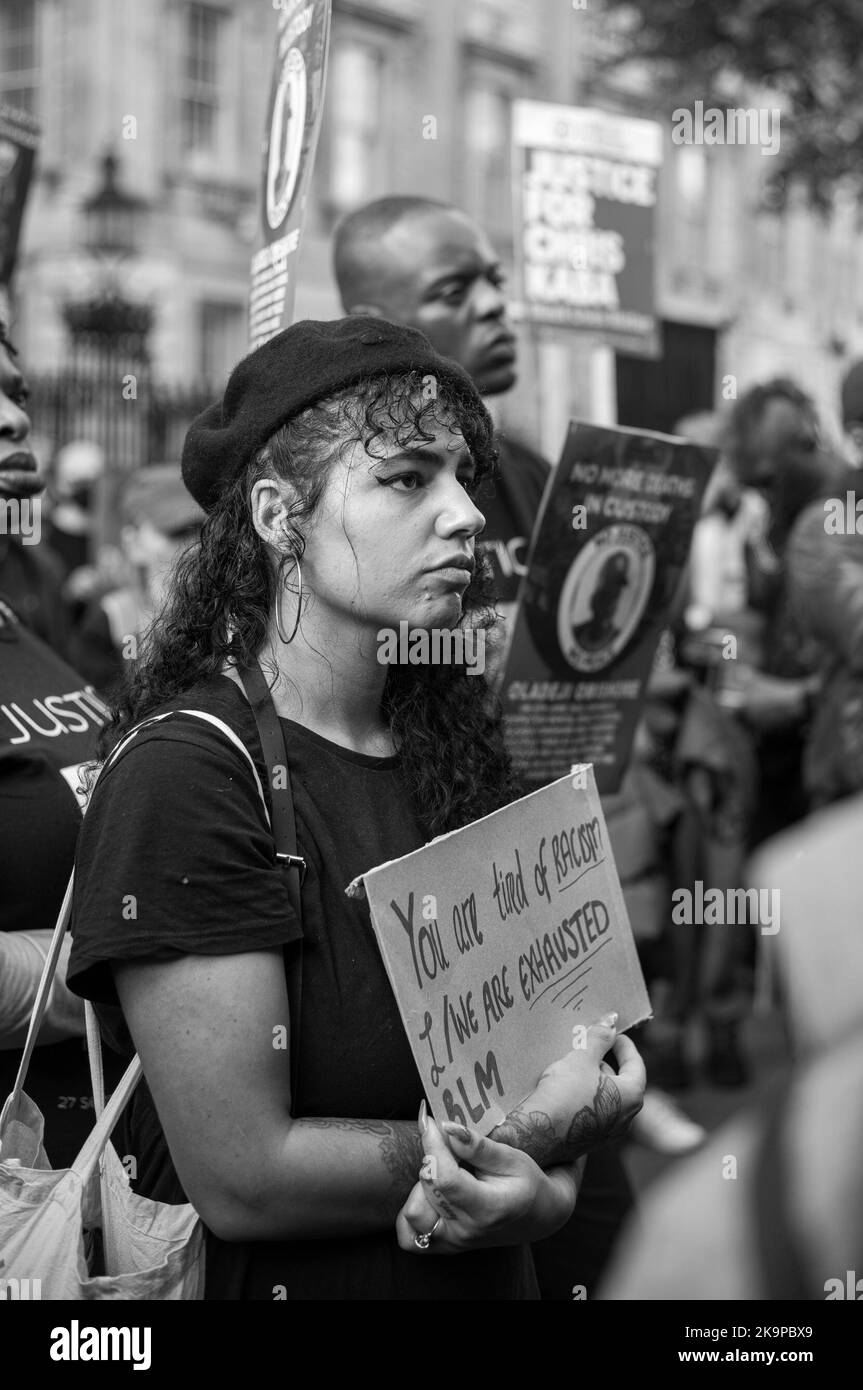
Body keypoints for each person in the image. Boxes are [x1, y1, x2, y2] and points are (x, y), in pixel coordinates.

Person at [66, 316, 646, 1302]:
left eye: (462, 475)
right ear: (276, 516)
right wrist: (530, 1148)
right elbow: (246, 1176)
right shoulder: (190, 778)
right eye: (407, 478)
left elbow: (549, 1039)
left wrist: (549, 1195)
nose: (467, 514)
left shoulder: (456, 749)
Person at [333, 196, 639, 1295]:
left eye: (496, 279)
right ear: (373, 319)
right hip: (421, 943)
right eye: (453, 290)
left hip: (542, 921)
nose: (495, 305)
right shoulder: (334, 506)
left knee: (594, 1232)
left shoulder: (525, 470)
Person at [0, 320, 119, 1167]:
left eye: (17, 392)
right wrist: (152, 968)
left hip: (87, 1158)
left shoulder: (24, 623)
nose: (12, 418)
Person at [69, 462, 205, 694]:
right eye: (177, 533)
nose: (195, 546)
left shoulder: (227, 615)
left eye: (201, 530)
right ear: (133, 543)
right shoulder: (114, 621)